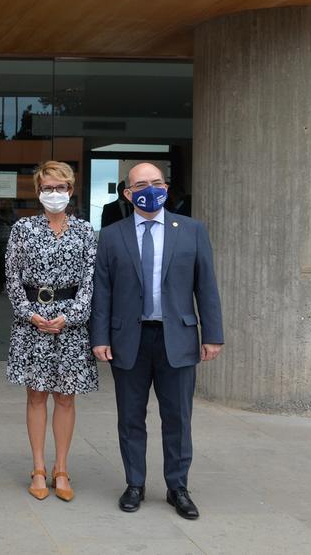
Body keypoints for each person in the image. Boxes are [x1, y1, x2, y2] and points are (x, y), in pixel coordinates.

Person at [91, 162, 223, 519]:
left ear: (166, 187)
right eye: (142, 184)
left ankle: (177, 487)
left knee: (178, 417)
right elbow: (102, 292)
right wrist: (99, 337)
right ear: (128, 193)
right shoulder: (111, 235)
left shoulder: (192, 230)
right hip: (128, 341)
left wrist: (212, 334)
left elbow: (206, 285)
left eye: (157, 182)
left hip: (176, 338)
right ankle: (135, 483)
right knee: (131, 418)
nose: (151, 189)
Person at [5, 161, 98, 503]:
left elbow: (90, 282)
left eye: (61, 188)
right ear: (38, 191)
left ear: (71, 191)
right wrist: (28, 313)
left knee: (65, 396)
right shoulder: (22, 229)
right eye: (48, 188)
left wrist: (70, 316)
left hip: (69, 323)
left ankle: (61, 467)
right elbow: (11, 277)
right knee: (36, 395)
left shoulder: (86, 231)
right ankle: (38, 467)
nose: (54, 193)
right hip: (31, 321)